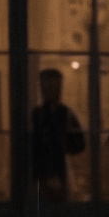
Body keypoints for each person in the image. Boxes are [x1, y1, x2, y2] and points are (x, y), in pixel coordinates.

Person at [31, 68, 85, 201]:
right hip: (45, 171)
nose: (48, 90)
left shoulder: (63, 113)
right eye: (46, 86)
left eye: (52, 86)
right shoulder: (39, 114)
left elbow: (79, 144)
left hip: (52, 169)